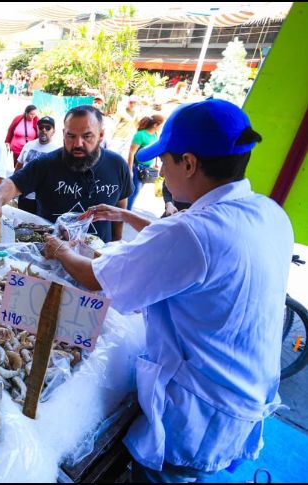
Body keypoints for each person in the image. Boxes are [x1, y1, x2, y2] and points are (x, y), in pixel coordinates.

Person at [43, 99, 292, 483]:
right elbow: (184, 245)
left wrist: (60, 249)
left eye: (164, 160)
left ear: (189, 163)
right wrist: (126, 214)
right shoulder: (268, 212)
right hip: (244, 392)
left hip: (198, 409)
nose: (159, 170)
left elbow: (97, 277)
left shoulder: (193, 233)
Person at [0, 105, 132, 243]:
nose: (78, 143)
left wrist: (116, 244)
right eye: (71, 136)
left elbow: (120, 208)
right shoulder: (45, 164)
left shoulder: (117, 165)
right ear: (63, 134)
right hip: (51, 252)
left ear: (101, 135)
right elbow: (12, 184)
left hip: (98, 256)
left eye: (87, 136)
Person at [15, 116, 59, 214]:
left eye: (48, 128)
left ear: (53, 131)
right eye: (41, 127)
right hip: (24, 195)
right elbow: (19, 166)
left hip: (44, 200)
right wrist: (14, 186)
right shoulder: (28, 145)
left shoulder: (58, 150)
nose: (44, 130)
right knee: (21, 221)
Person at [127, 114, 165, 210]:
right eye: (161, 125)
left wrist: (155, 164)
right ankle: (126, 211)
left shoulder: (155, 135)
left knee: (137, 191)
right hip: (137, 167)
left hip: (147, 168)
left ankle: (126, 210)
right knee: (134, 191)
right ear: (155, 125)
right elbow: (131, 152)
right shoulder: (140, 135)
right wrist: (130, 169)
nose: (161, 127)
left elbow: (153, 150)